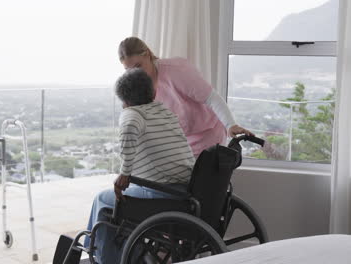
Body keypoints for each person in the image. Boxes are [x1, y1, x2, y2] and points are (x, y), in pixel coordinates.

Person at [84, 68, 195, 264]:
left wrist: (124, 173)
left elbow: (129, 126)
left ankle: (98, 254)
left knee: (103, 200)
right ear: (153, 93)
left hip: (163, 195)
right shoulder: (164, 112)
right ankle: (121, 254)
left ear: (124, 102)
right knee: (115, 205)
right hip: (186, 191)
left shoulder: (132, 114)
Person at [118, 37, 253, 156]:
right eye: (129, 70)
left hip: (207, 135)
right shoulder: (138, 83)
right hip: (180, 140)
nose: (135, 73)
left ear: (147, 54)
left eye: (138, 66)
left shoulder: (176, 70)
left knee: (197, 181)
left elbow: (211, 98)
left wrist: (230, 124)